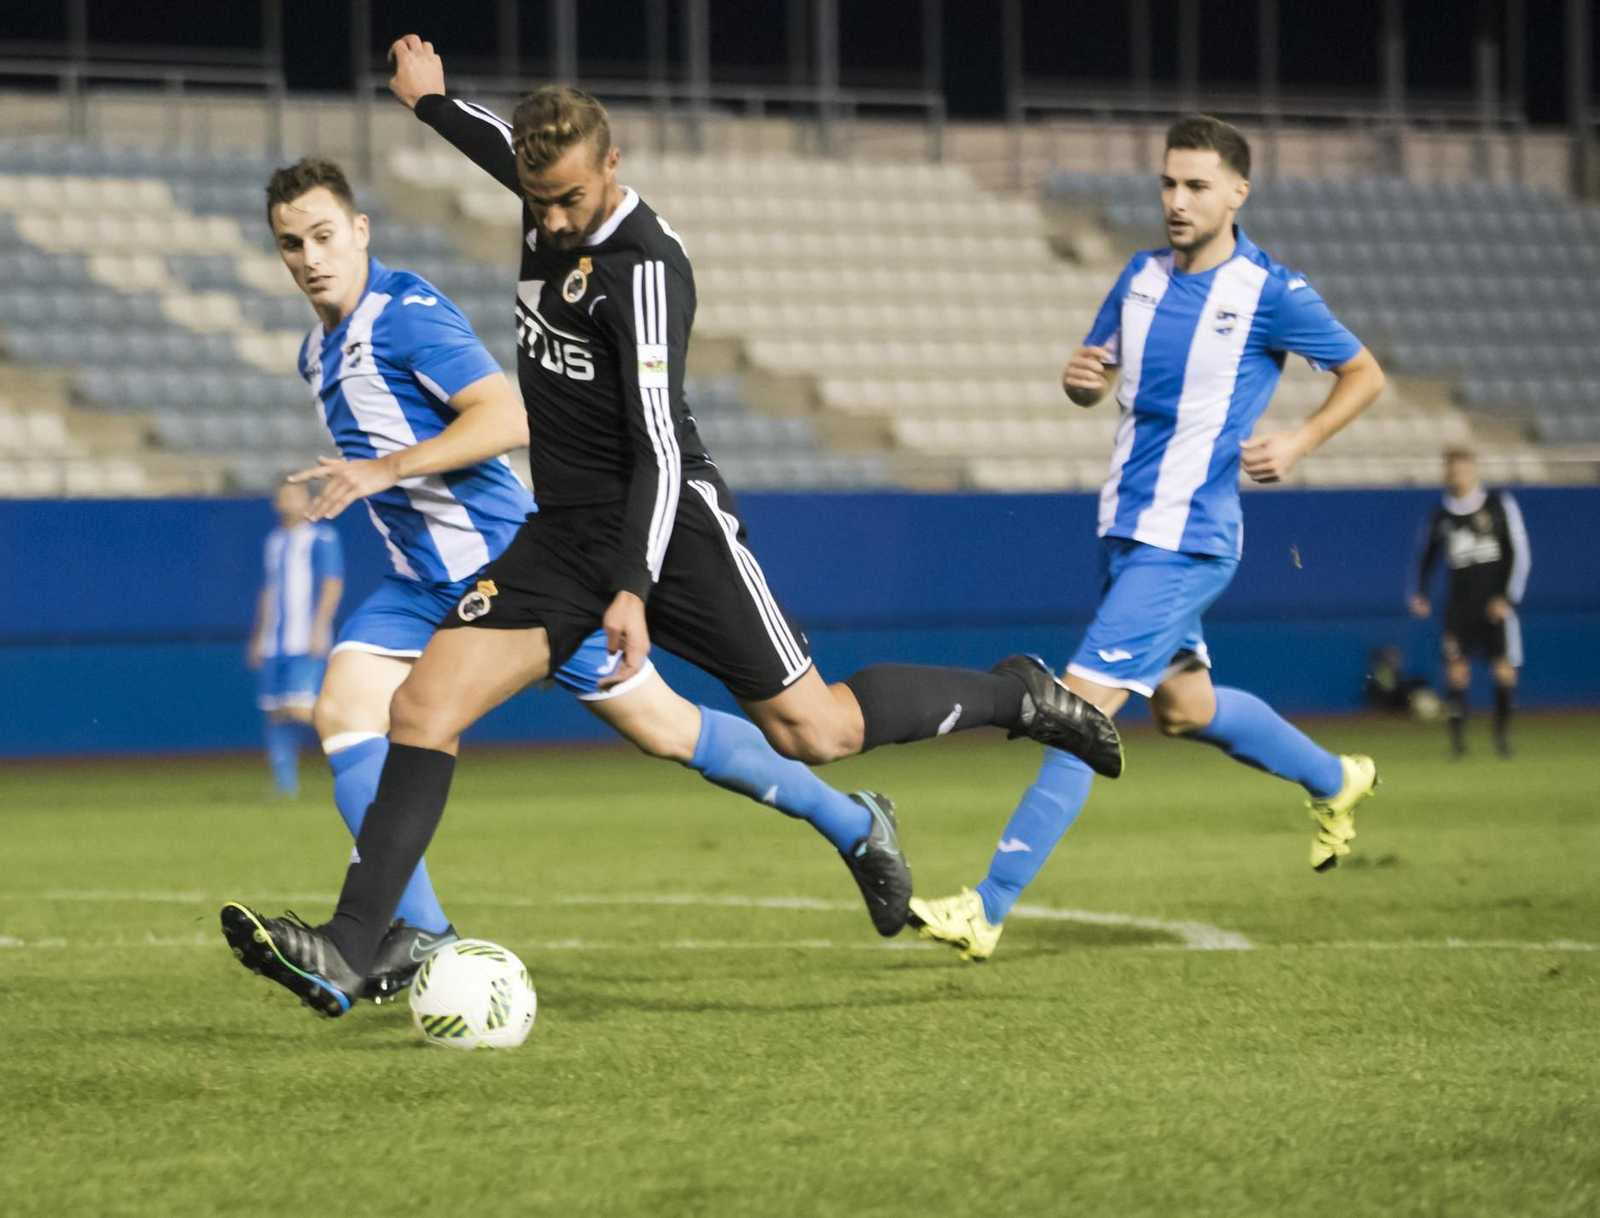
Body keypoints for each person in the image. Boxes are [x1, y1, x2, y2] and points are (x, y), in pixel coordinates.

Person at [221, 130, 1119, 1014]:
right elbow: (519, 161)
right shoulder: (325, 347)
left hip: (548, 550)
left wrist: (617, 581)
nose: (309, 257)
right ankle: (385, 940)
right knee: (371, 710)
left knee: (759, 729)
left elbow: (520, 419)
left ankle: (919, 770)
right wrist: (432, 102)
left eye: (324, 235)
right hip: (448, 577)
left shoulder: (422, 312)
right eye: (291, 243)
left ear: (363, 230)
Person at [910, 114, 1389, 962]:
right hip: (1125, 531)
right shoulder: (1138, 277)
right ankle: (1334, 778)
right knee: (1184, 709)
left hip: (1189, 540)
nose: (1177, 200)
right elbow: (1096, 380)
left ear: (1238, 193)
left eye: (1197, 185)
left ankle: (985, 907)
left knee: (1079, 712)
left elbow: (1364, 372)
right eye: (1168, 183)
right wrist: (1079, 383)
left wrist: (1301, 441)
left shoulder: (1269, 291)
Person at [1408, 448, 1530, 758]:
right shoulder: (1440, 516)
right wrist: (1420, 592)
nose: (1455, 475)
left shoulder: (1499, 505)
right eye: (1450, 469)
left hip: (1494, 605)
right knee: (1457, 673)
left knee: (1503, 671)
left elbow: (1518, 553)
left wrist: (1507, 597)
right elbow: (1427, 557)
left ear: (1473, 471)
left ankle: (1502, 737)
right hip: (1459, 607)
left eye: (1461, 469)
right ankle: (1458, 744)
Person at [247, 480, 342, 796]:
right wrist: (259, 635)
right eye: (282, 495)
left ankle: (363, 741)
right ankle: (285, 786)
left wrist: (319, 628)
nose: (285, 501)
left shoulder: (322, 536)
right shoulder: (274, 541)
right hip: (275, 641)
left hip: (305, 638)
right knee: (276, 713)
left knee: (300, 708)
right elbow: (268, 589)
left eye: (293, 495)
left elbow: (332, 583)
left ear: (309, 501)